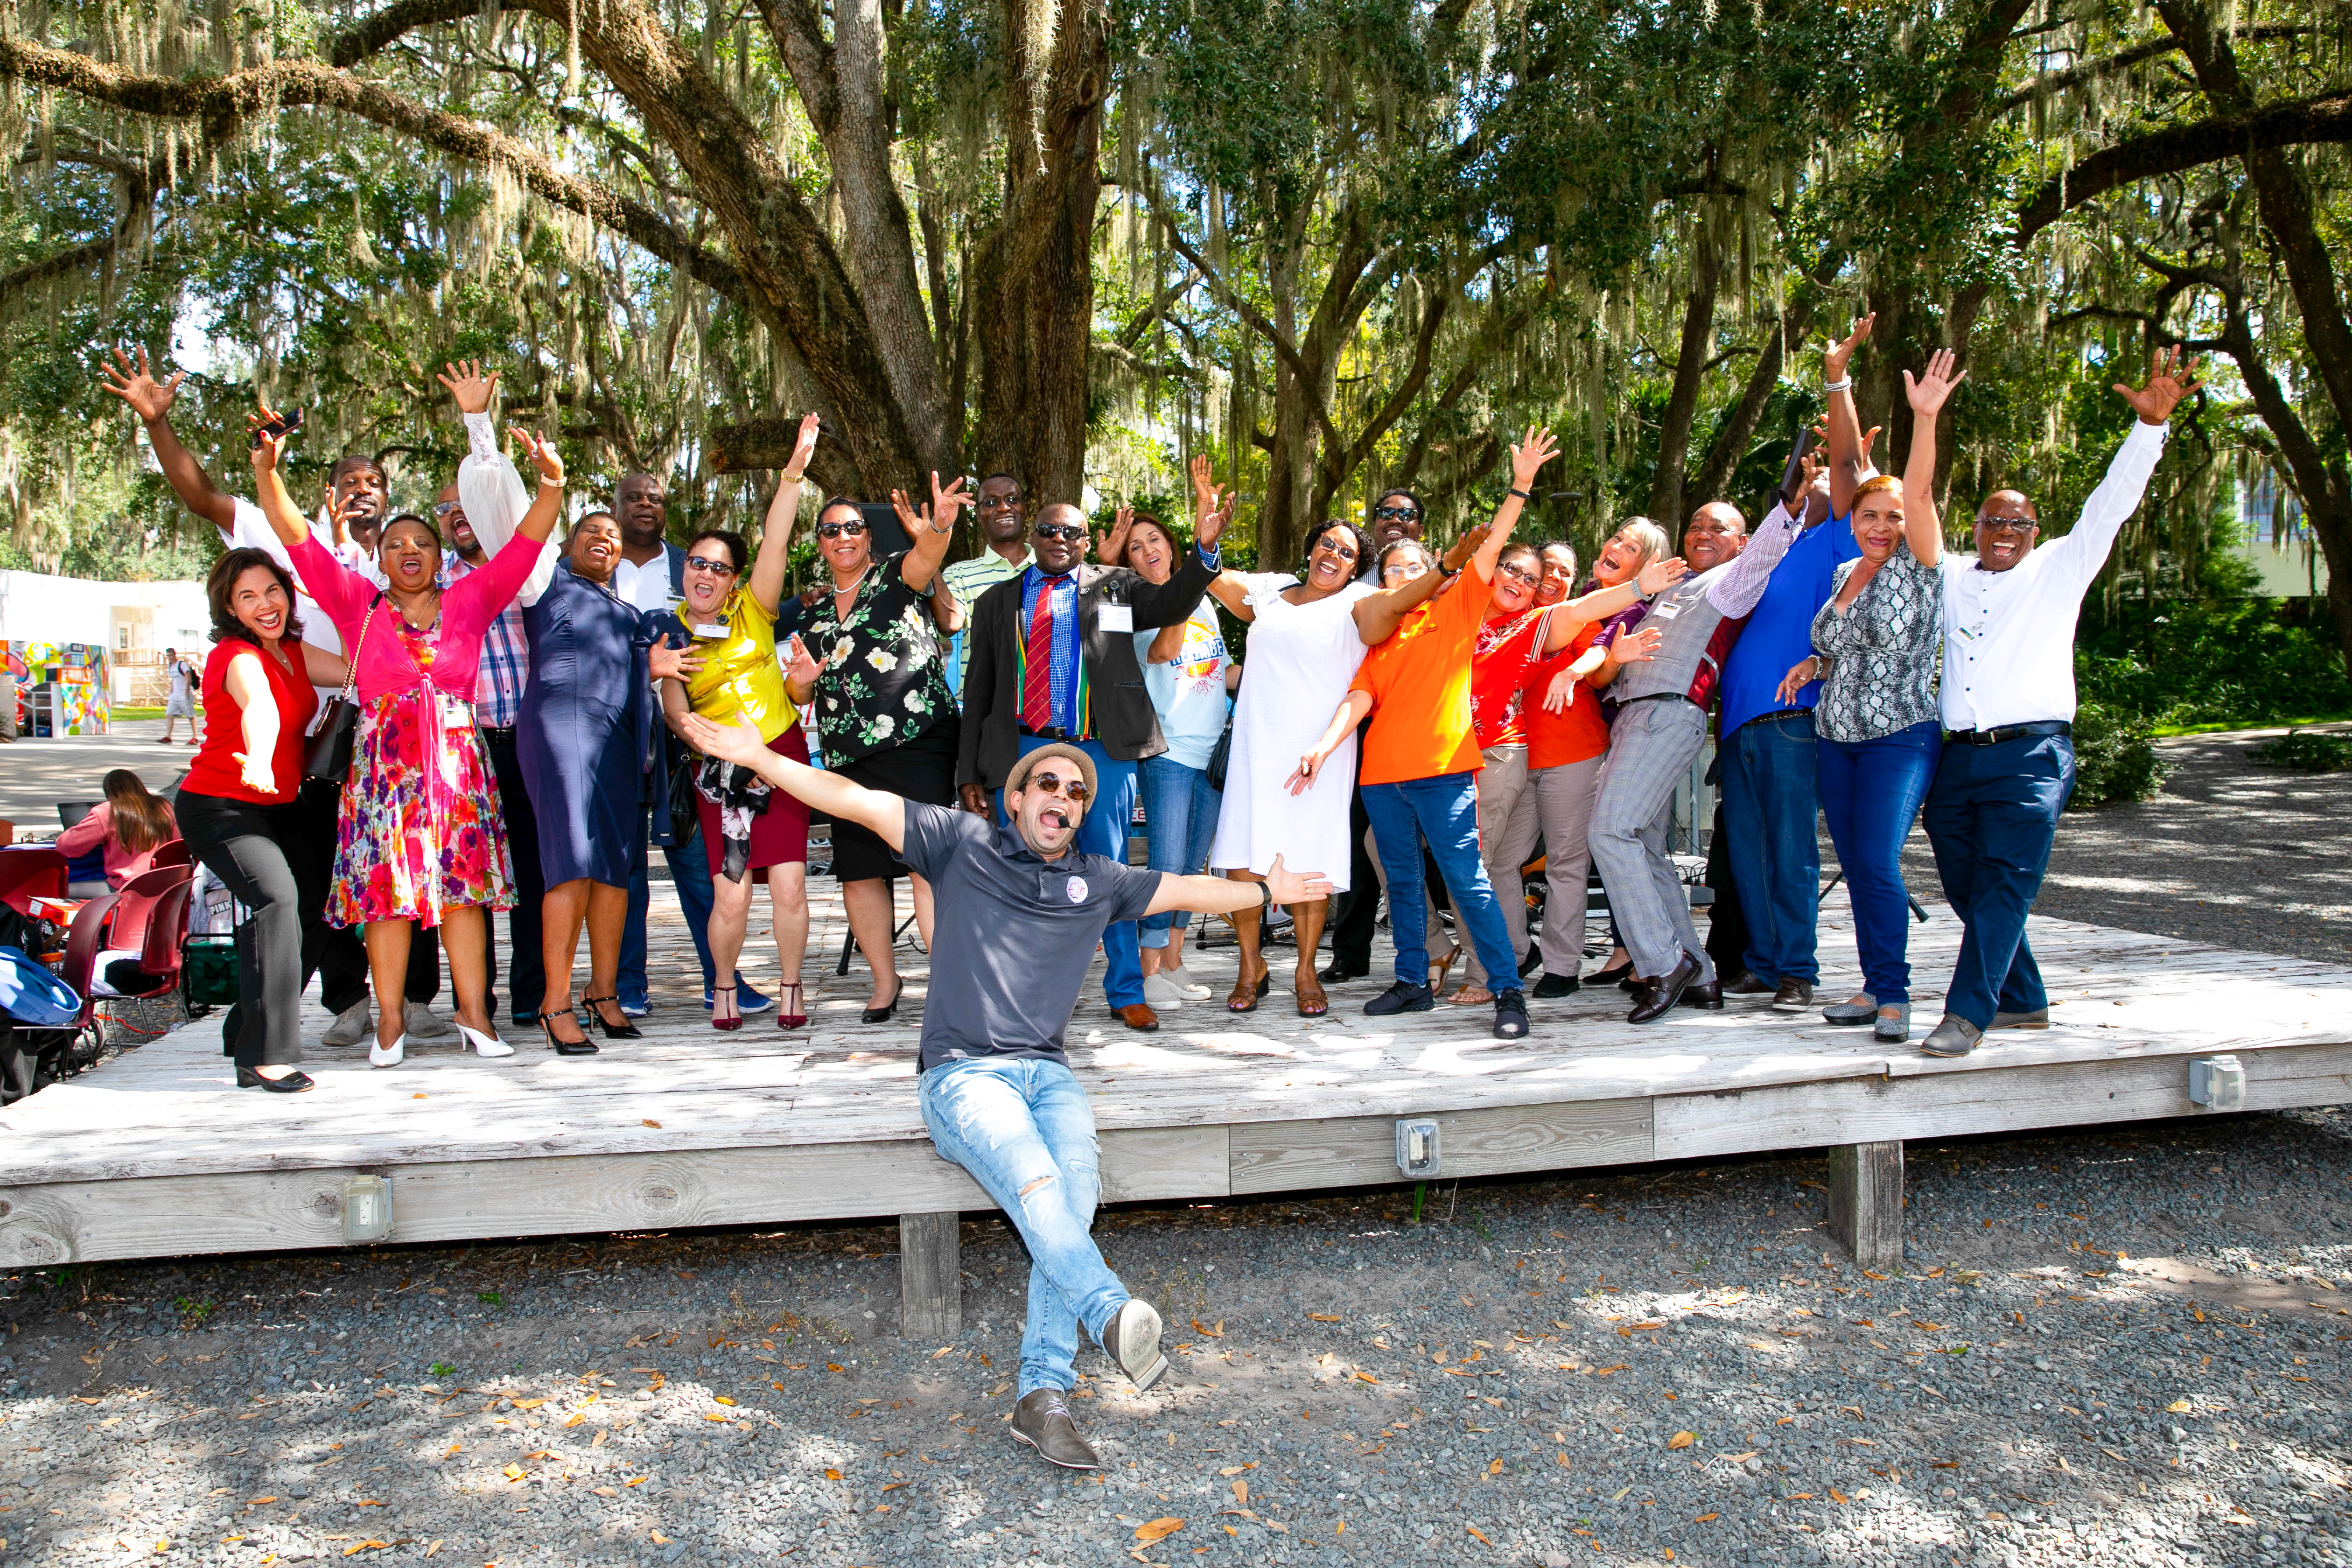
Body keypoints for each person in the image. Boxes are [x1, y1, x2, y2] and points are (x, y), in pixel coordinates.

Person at [682, 708, 1334, 1469]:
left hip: (1048, 1074)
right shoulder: (962, 845)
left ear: (1080, 815)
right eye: (1046, 783)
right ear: (1016, 799)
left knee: (1074, 1187)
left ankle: (1040, 1398)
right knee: (1036, 1178)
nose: (1062, 794)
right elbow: (846, 795)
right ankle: (1108, 1314)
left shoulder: (1098, 881)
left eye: (1076, 791)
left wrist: (1265, 891)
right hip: (963, 1073)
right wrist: (760, 754)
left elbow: (1192, 889)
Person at [99, 347, 443, 1051]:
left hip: (397, 749)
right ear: (323, 491)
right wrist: (161, 426)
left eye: (374, 482)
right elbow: (201, 495)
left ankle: (414, 997)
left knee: (406, 868)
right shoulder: (286, 542)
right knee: (324, 888)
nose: (362, 491)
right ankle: (346, 1003)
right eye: (348, 481)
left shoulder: (408, 562)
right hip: (314, 755)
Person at [250, 403, 563, 1068]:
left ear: (438, 555)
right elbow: (292, 535)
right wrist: (266, 470)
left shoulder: (470, 599)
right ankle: (389, 1023)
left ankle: (475, 1016)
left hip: (455, 769)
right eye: (396, 545)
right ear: (381, 559)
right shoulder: (354, 603)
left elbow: (526, 546)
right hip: (384, 771)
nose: (410, 552)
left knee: (463, 895)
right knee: (386, 899)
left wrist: (553, 486)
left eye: (422, 542)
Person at [1913, 345, 2199, 1057]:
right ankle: (2026, 1000)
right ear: (1974, 527)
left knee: (2006, 885)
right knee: (1966, 883)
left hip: (2033, 753)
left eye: (2017, 524)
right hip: (1958, 760)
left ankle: (1967, 1015)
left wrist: (2149, 431)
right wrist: (1922, 424)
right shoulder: (1949, 574)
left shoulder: (2060, 567)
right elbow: (1914, 502)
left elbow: (2111, 503)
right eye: (1991, 521)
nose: (2004, 533)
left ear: (2034, 533)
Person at [958, 486, 1225, 1031]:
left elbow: (1172, 602)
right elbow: (978, 693)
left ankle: (1125, 989)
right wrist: (969, 773)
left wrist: (1204, 551)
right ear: (1033, 539)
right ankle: (1019, 990)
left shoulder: (1116, 588)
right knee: (1023, 871)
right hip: (1026, 750)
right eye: (1050, 531)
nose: (1060, 540)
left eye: (1072, 533)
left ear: (1087, 542)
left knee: (1110, 870)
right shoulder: (996, 603)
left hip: (1101, 750)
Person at [1587, 452, 1808, 1023]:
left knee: (1609, 831)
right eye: (1696, 525)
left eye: (1720, 528)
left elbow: (1768, 549)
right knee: (1648, 850)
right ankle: (1702, 976)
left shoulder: (1728, 583)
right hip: (1636, 718)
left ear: (1740, 544)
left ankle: (1663, 963)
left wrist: (1791, 503)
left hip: (1665, 714)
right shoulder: (1670, 585)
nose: (1704, 533)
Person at [1710, 322, 1883, 1012]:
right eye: (1796, 482)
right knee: (1747, 854)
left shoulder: (1832, 541)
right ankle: (1760, 960)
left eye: (1816, 482)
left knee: (1790, 849)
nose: (1807, 486)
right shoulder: (1768, 551)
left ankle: (1797, 969)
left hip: (1790, 723)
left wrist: (1836, 380)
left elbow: (1846, 471)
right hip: (1739, 725)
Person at [1450, 537, 1681, 1004]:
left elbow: (1597, 669)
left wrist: (1597, 662)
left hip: (1573, 756)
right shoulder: (1507, 620)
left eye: (1563, 573)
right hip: (1515, 759)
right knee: (1497, 861)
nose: (1553, 579)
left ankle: (1562, 965)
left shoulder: (1574, 617)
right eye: (1545, 570)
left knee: (1566, 866)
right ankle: (1518, 949)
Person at [510, 497, 701, 1054]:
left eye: (613, 536)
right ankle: (555, 1001)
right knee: (572, 863)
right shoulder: (545, 583)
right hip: (562, 726)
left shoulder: (624, 608)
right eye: (592, 531)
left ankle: (603, 990)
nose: (606, 539)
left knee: (617, 869)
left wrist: (653, 668)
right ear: (568, 545)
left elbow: (630, 668)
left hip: (620, 740)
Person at [1776, 422, 1947, 1042]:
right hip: (1836, 739)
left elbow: (1921, 491)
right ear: (1855, 522)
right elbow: (1843, 647)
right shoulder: (1843, 571)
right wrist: (1814, 664)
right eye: (1870, 515)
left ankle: (1895, 996)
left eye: (1893, 517)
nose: (1881, 526)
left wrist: (1921, 417)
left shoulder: (1920, 567)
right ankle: (1874, 985)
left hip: (1898, 735)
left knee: (1877, 861)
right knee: (1853, 861)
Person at [654, 413, 823, 1031]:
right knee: (733, 890)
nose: (705, 574)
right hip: (722, 769)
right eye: (697, 563)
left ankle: (791, 986)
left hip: (781, 754)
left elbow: (776, 540)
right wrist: (697, 735)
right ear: (686, 570)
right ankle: (722, 984)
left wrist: (794, 473)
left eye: (719, 567)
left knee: (789, 887)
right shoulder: (667, 631)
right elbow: (674, 709)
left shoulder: (754, 610)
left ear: (733, 580)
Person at [172, 550, 342, 1092]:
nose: (265, 604)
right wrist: (263, 755)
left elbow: (357, 672)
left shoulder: (290, 649)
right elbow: (260, 707)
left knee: (316, 908)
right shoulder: (235, 655)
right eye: (248, 596)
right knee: (277, 901)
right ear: (230, 606)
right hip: (220, 805)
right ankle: (266, 1055)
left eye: (271, 590)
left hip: (280, 806)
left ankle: (246, 1024)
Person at [805, 479, 970, 1020]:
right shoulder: (813, 615)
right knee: (859, 872)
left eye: (852, 527)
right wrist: (802, 682)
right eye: (831, 530)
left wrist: (939, 527)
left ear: (868, 537)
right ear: (821, 544)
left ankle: (949, 985)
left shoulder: (893, 577)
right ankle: (885, 981)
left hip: (919, 740)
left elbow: (927, 557)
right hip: (849, 757)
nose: (843, 537)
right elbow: (798, 689)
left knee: (927, 864)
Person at [1122, 509, 1234, 1011]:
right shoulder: (1139, 606)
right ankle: (1149, 973)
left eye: (1155, 540)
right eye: (1135, 547)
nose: (1149, 550)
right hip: (1169, 752)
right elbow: (1166, 650)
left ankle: (1173, 961)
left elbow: (1224, 673)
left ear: (1170, 546)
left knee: (1193, 866)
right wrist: (1187, 591)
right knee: (1166, 866)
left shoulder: (1206, 605)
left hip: (1212, 751)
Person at [939, 474, 1033, 703]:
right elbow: (949, 625)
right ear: (979, 516)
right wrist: (934, 538)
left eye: (1012, 499)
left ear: (1025, 509)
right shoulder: (958, 575)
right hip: (982, 713)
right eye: (990, 503)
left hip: (1047, 715)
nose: (1003, 508)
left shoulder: (1055, 570)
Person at [59, 770, 179, 892]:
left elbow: (66, 847)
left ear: (108, 793)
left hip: (125, 886)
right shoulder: (165, 806)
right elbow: (178, 843)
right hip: (165, 881)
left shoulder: (107, 810)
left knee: (61, 890)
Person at [158, 647, 198, 744]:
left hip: (184, 693)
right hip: (175, 694)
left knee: (190, 715)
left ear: (175, 655)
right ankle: (168, 737)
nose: (169, 658)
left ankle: (195, 737)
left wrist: (186, 692)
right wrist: (171, 692)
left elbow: (188, 678)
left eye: (171, 655)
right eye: (167, 656)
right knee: (169, 714)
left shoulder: (182, 665)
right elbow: (173, 680)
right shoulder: (170, 666)